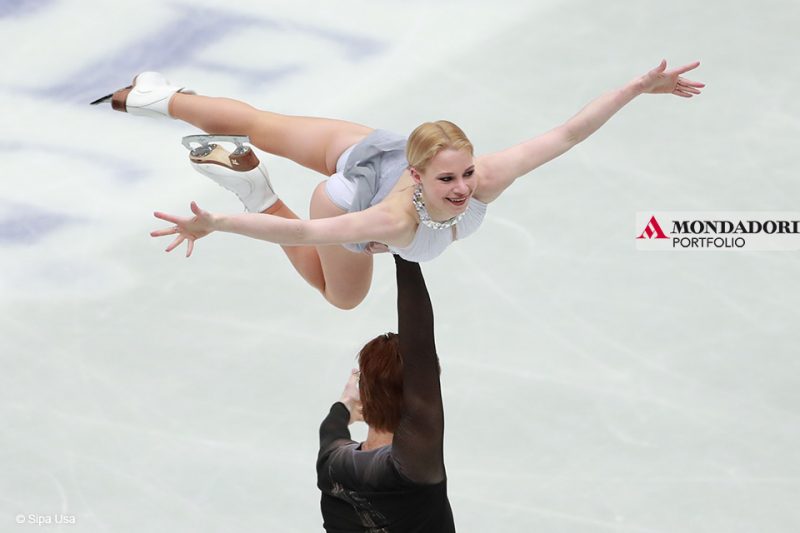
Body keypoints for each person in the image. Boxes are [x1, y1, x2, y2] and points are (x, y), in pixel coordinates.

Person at [98, 60, 704, 309]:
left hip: (371, 147)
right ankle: (253, 183)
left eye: (466, 172)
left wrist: (633, 88)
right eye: (449, 178)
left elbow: (569, 133)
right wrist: (218, 223)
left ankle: (157, 96)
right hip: (345, 193)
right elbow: (312, 227)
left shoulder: (483, 176)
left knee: (256, 121)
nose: (465, 187)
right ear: (417, 175)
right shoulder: (394, 221)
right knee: (339, 295)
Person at [317, 254, 453, 532]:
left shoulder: (332, 465)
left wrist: (344, 405)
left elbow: (331, 430)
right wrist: (407, 253)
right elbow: (419, 351)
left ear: (363, 397)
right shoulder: (412, 467)